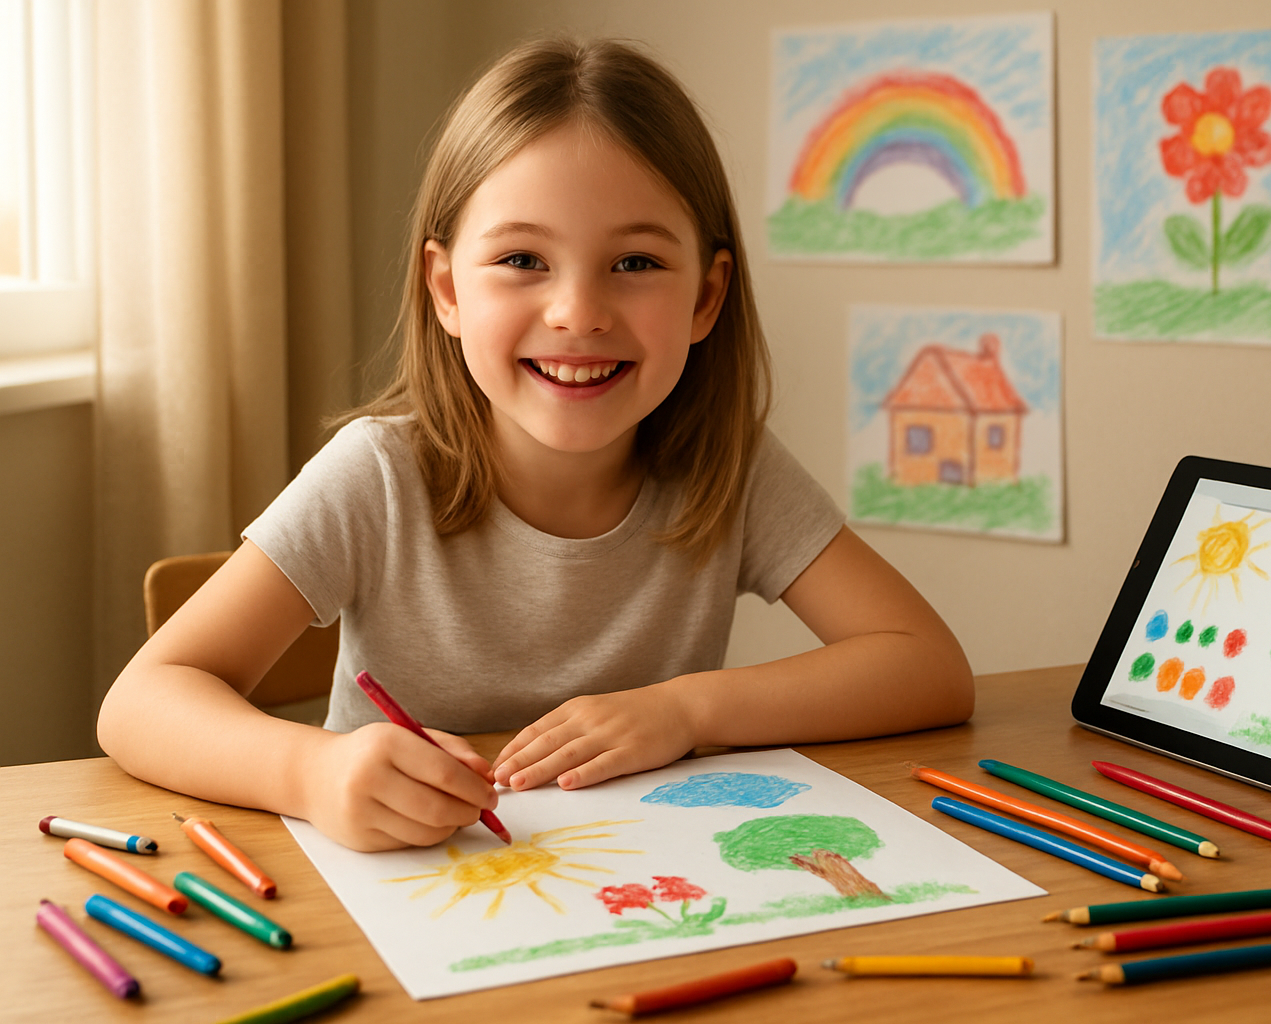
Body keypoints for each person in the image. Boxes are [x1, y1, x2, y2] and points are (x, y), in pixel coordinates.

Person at [97, 38, 973, 852]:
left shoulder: (729, 470)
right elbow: (140, 702)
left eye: (634, 264)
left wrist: (686, 710)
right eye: (522, 260)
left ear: (706, 301)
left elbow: (928, 666)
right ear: (446, 289)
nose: (577, 312)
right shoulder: (377, 476)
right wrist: (315, 771)